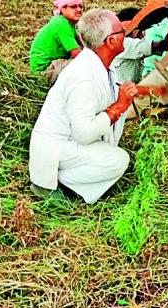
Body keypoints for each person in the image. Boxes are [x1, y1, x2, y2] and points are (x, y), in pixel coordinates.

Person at [29, 8, 138, 203]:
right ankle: (53, 184)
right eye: (121, 30)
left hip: (71, 141)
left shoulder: (100, 63)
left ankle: (73, 174)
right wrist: (119, 106)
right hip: (59, 146)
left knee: (113, 155)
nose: (125, 31)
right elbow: (84, 134)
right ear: (111, 41)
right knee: (118, 160)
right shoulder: (82, 78)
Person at [29, 0, 83, 82]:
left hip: (51, 65)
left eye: (81, 6)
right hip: (44, 72)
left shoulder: (68, 23)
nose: (79, 9)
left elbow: (82, 43)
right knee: (83, 65)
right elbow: (78, 55)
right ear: (63, 9)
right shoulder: (61, 24)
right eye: (73, 7)